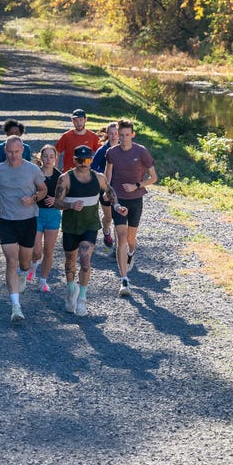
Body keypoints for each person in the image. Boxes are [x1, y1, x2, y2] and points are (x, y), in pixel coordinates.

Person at [0, 135, 48, 322]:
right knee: (11, 262)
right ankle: (16, 307)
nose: (13, 156)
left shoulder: (32, 169)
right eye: (10, 152)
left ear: (22, 150)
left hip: (28, 220)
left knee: (24, 263)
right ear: (5, 151)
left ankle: (23, 273)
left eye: (16, 152)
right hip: (7, 221)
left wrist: (33, 199)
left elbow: (43, 190)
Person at [55, 144, 114, 317]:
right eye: (79, 160)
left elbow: (110, 192)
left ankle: (82, 298)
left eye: (87, 159)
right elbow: (57, 202)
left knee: (86, 260)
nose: (83, 163)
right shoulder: (65, 179)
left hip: (90, 226)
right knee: (70, 262)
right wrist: (71, 205)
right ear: (74, 160)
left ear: (91, 159)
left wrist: (116, 205)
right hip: (70, 227)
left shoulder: (99, 177)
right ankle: (70, 291)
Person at [104, 119, 158, 298]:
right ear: (117, 135)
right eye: (121, 135)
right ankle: (124, 280)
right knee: (121, 238)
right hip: (119, 199)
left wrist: (136, 185)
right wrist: (107, 191)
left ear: (132, 135)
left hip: (135, 199)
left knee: (130, 239)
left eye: (128, 135)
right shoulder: (112, 152)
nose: (124, 138)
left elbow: (154, 178)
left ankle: (131, 252)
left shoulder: (141, 151)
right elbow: (108, 176)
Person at [28, 145, 62, 293]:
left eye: (51, 157)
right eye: (45, 156)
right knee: (36, 250)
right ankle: (33, 265)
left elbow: (65, 198)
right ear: (41, 158)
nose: (48, 159)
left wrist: (56, 200)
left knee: (48, 250)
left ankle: (43, 281)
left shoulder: (60, 177)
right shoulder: (35, 174)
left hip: (53, 216)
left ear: (56, 159)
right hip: (36, 214)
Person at [90, 121, 119, 250]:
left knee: (121, 217)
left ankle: (120, 247)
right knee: (109, 217)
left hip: (120, 188)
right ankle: (106, 230)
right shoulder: (102, 150)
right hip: (106, 187)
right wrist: (104, 174)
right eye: (111, 133)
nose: (113, 136)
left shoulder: (123, 148)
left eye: (116, 133)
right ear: (107, 134)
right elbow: (92, 167)